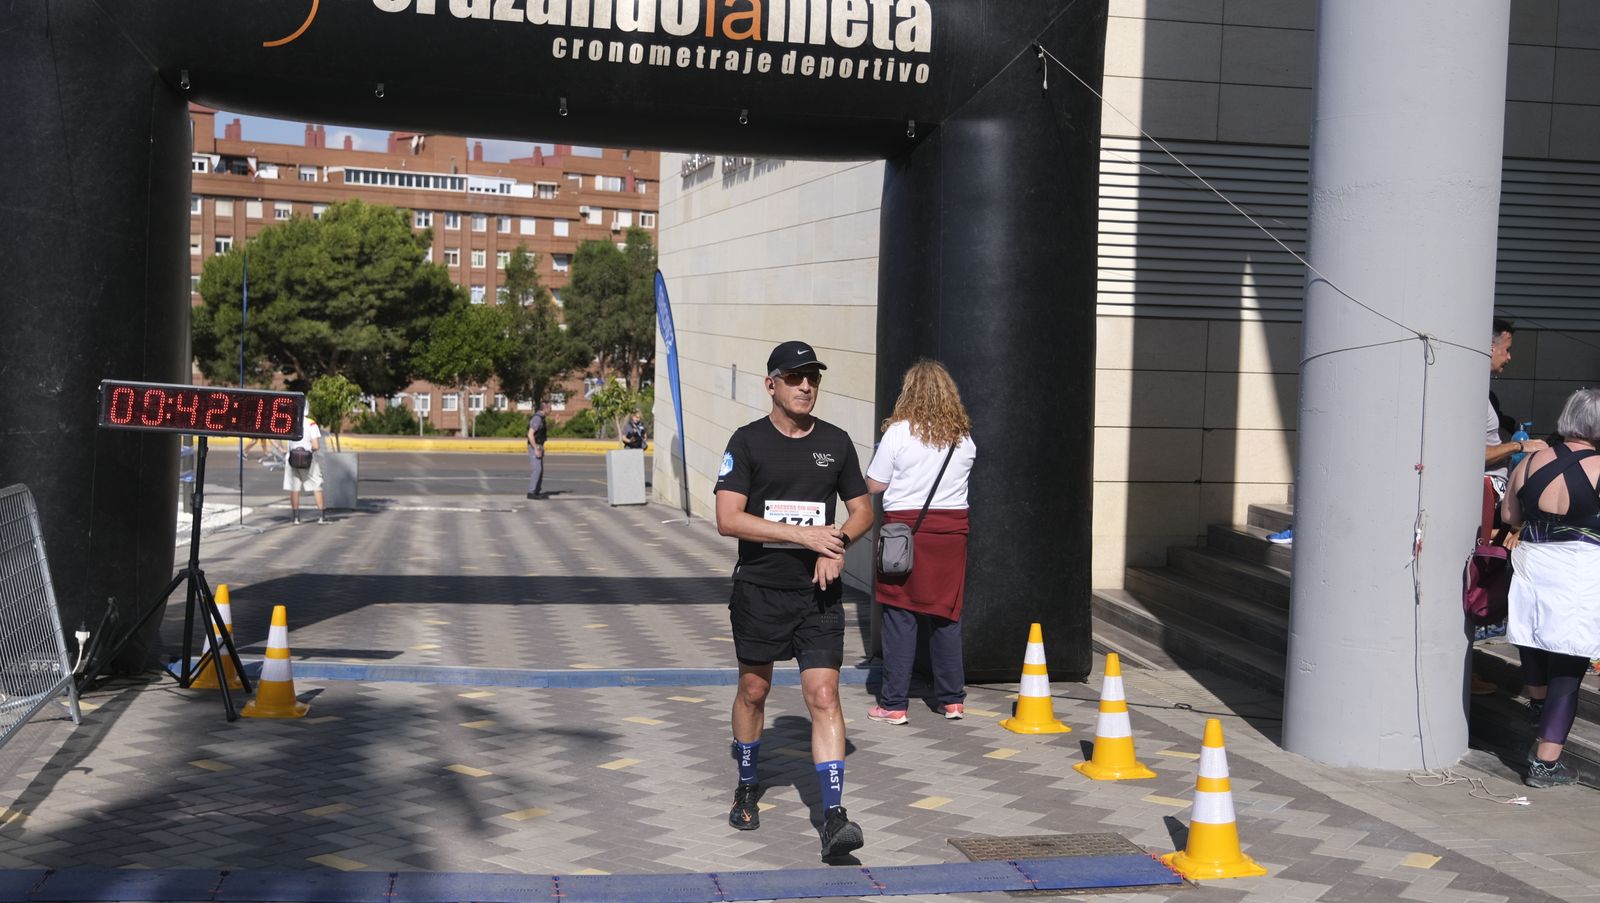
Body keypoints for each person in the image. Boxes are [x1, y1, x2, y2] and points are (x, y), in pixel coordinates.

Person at [714, 340, 874, 859]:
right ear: (772, 384)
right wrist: (804, 537)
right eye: (795, 377)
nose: (806, 386)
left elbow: (861, 510)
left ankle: (833, 817)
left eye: (813, 378)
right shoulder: (748, 442)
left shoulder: (836, 442)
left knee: (825, 696)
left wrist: (839, 545)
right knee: (754, 691)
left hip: (819, 594)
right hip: (760, 589)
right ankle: (746, 784)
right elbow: (727, 518)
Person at [863, 360, 977, 725]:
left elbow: (875, 484)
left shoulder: (898, 433)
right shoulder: (964, 439)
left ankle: (894, 704)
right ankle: (952, 700)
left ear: (908, 392)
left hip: (904, 533)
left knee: (900, 614)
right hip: (951, 535)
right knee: (947, 614)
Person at [1501, 387, 1600, 788]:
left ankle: (1537, 703)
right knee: (1570, 664)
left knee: (1532, 634)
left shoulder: (1529, 461)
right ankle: (1545, 764)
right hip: (1580, 567)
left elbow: (1510, 514)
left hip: (1533, 558)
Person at [1474, 320, 1550, 693]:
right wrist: (1519, 447)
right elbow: (1471, 450)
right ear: (1486, 347)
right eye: (1505, 347)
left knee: (1490, 567)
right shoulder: (1470, 389)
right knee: (1480, 570)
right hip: (1484, 495)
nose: (1510, 355)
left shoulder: (1485, 392)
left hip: (1497, 495)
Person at [284, 413, 326, 525]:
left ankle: (296, 518)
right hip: (307, 459)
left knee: (294, 488)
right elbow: (316, 446)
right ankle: (321, 517)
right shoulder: (311, 423)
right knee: (317, 485)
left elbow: (285, 444)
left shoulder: (290, 422)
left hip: (291, 458)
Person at [526, 403, 548, 500]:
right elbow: (530, 434)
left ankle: (536, 491)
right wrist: (535, 448)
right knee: (537, 469)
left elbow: (541, 431)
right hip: (535, 446)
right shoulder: (537, 418)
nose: (551, 410)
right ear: (545, 408)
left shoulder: (542, 418)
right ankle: (531, 492)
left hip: (539, 445)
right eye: (550, 408)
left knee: (540, 470)